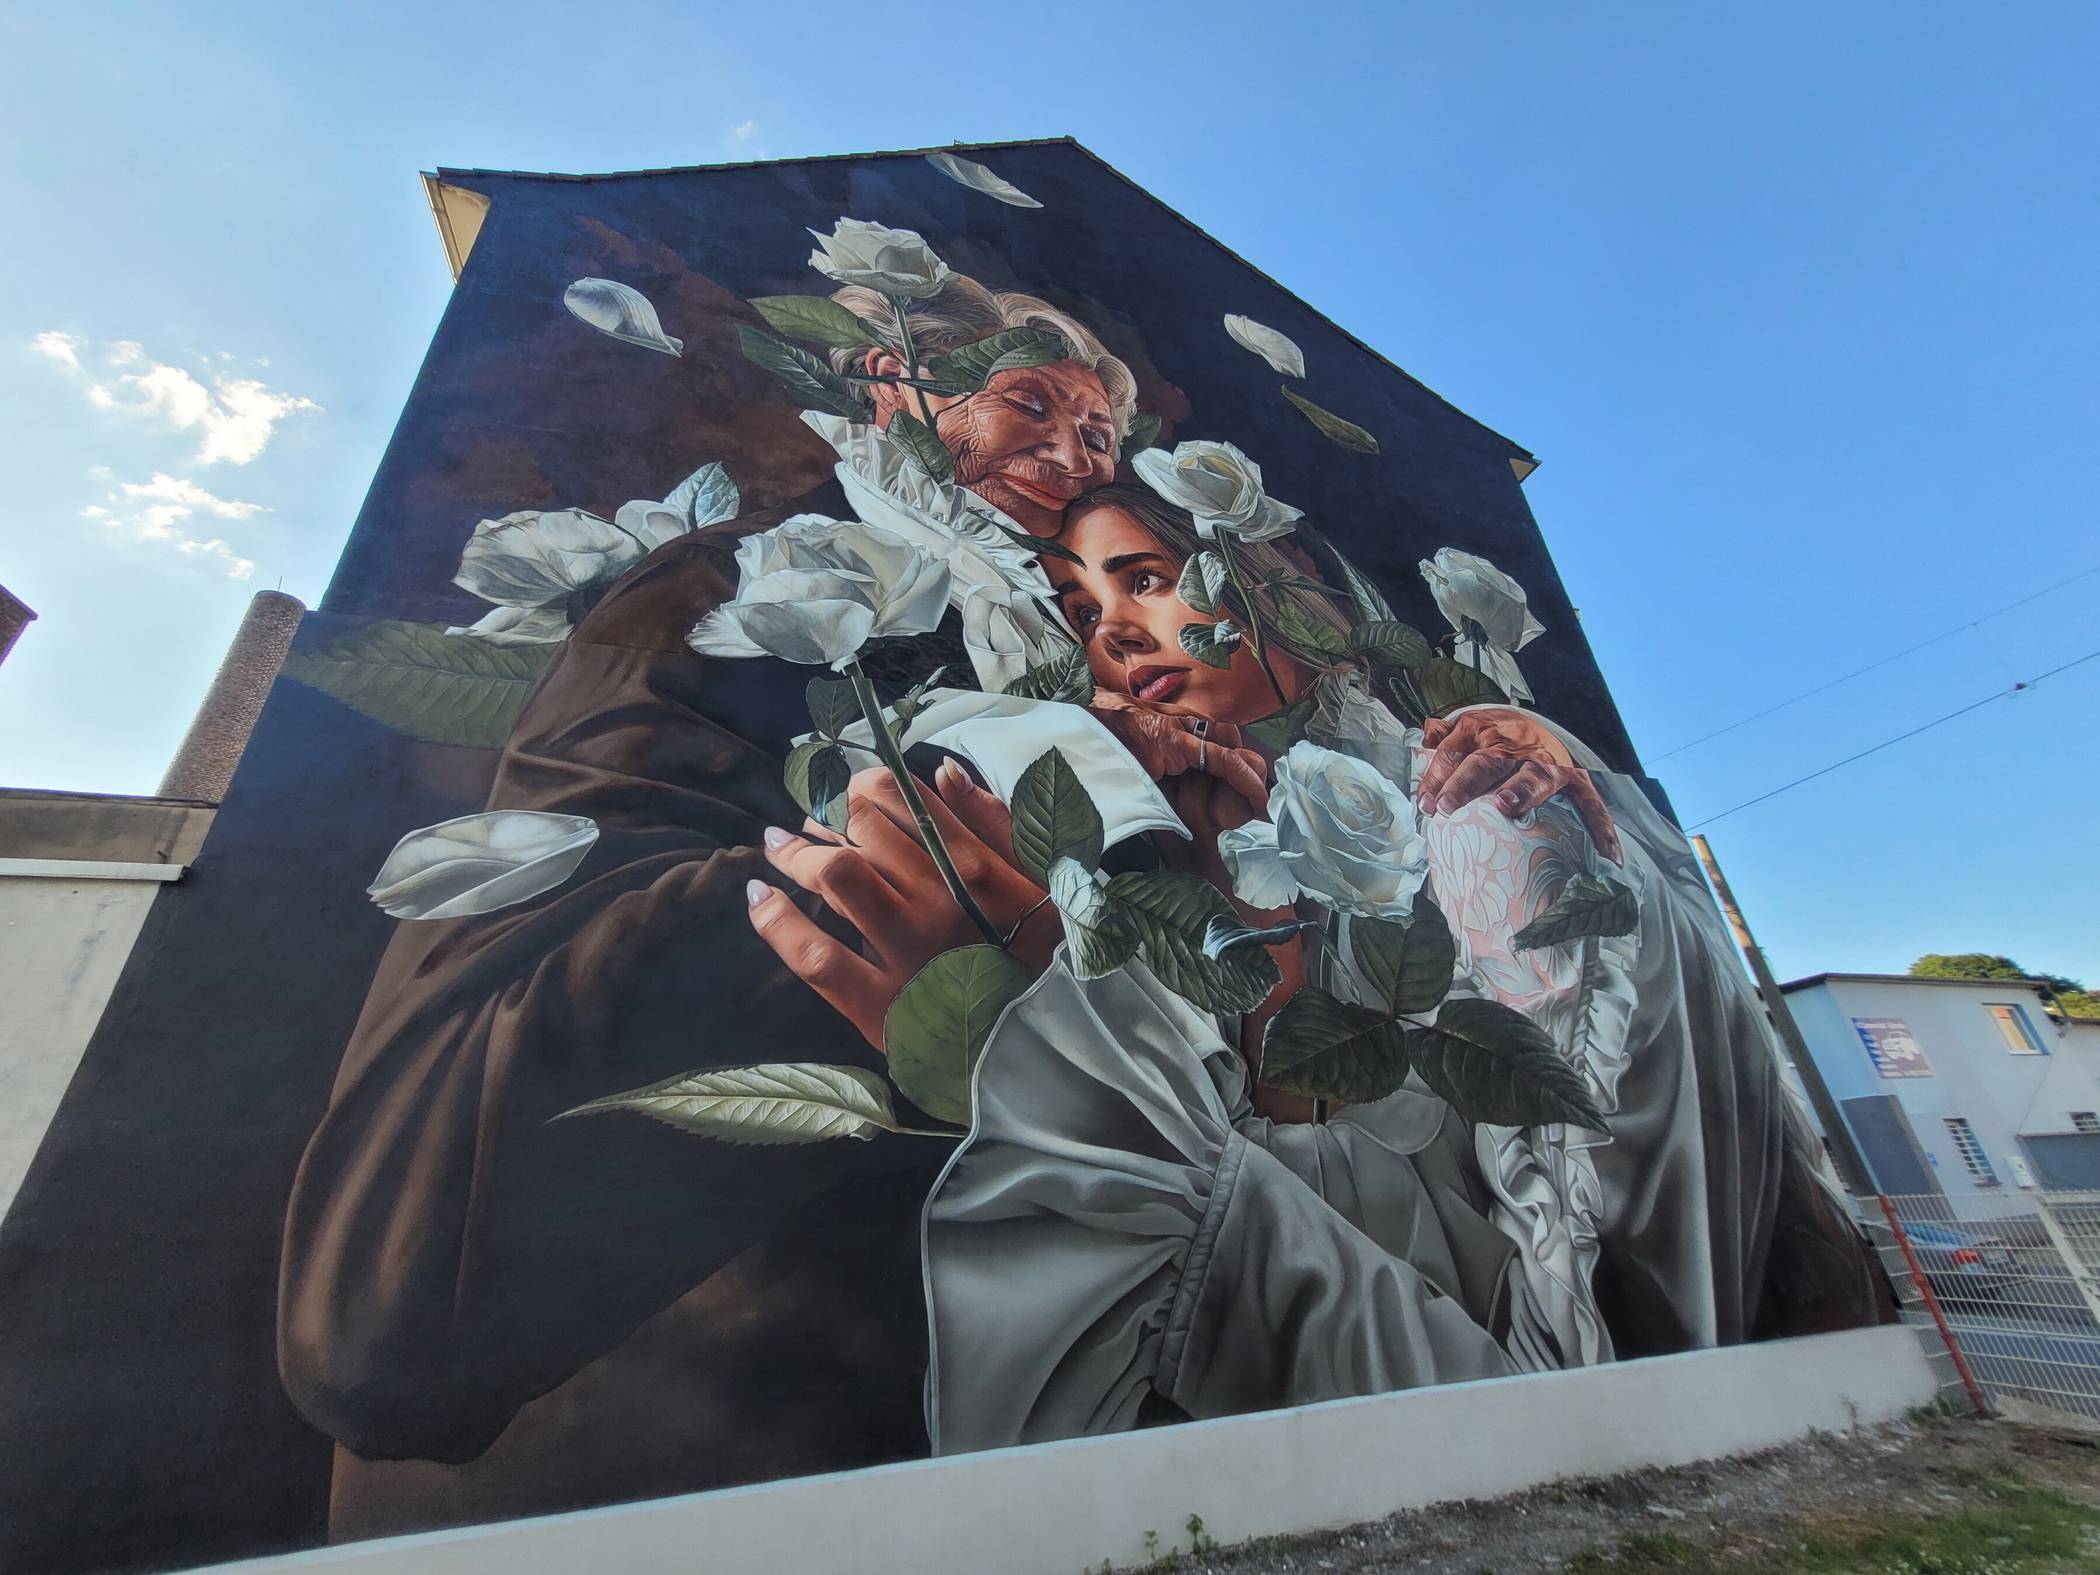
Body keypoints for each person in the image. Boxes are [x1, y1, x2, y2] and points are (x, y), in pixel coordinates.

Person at [748, 484, 1890, 1452]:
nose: (1113, 630)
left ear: (1285, 577)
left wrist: (1050, 1043)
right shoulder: (1243, 860)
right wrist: (1247, 943)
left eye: (1143, 576)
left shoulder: (1492, 813)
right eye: (1080, 607)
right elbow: (1382, 1217)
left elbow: (1592, 1354)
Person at [275, 269, 1139, 1533]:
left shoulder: (1065, 660)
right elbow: (393, 1306)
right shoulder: (749, 585)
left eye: (1102, 438)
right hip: (676, 1478)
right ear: (892, 388)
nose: (1071, 456)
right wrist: (902, 903)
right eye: (1026, 405)